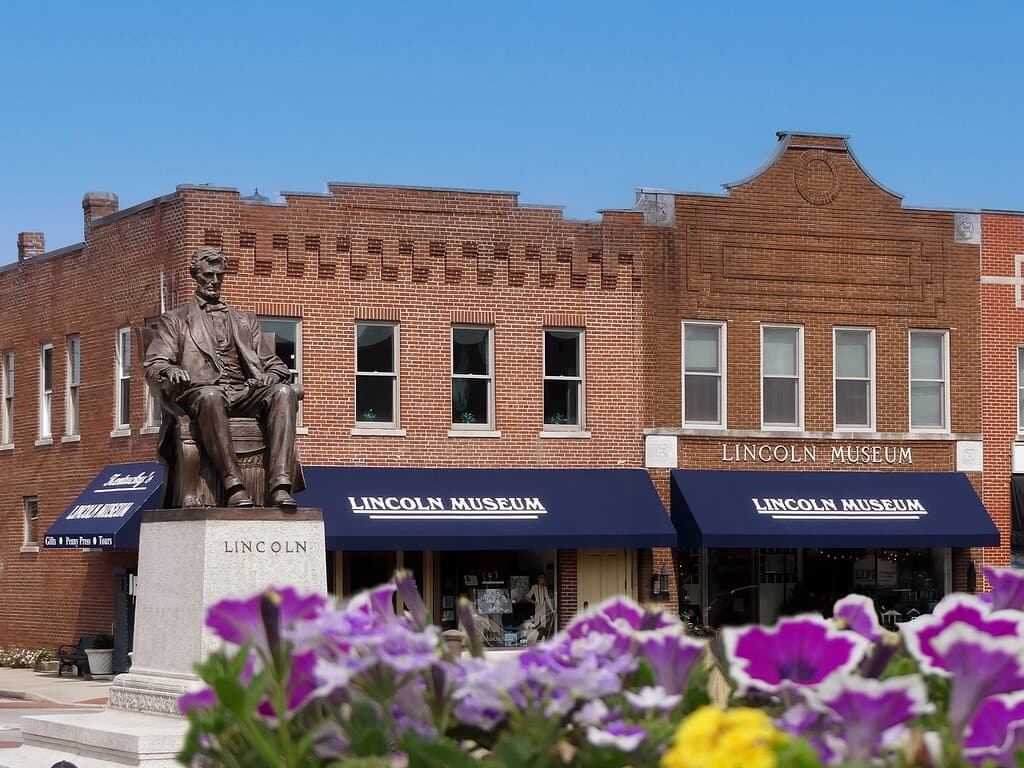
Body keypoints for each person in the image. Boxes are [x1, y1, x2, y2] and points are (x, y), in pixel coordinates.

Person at [144, 246, 300, 509]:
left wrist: (270, 377)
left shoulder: (244, 320)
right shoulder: (176, 320)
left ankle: (280, 485)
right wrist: (171, 370)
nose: (214, 282)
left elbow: (275, 365)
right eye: (208, 276)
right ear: (196, 276)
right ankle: (234, 485)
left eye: (219, 276)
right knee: (211, 395)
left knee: (284, 393)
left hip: (243, 392)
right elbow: (154, 364)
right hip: (199, 393)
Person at [526, 572, 554, 639]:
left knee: (543, 623)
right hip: (537, 607)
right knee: (536, 623)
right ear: (538, 579)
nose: (542, 580)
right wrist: (534, 602)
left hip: (543, 607)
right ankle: (534, 638)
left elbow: (547, 599)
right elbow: (527, 597)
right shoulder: (535, 587)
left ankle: (543, 640)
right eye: (540, 578)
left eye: (543, 578)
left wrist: (552, 609)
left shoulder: (544, 588)